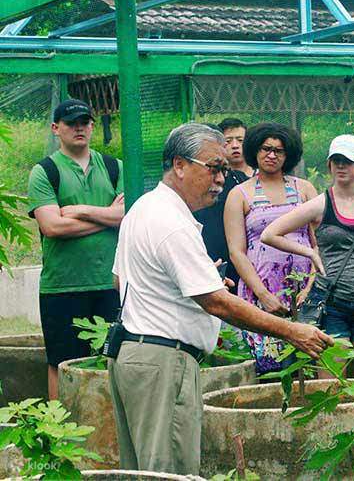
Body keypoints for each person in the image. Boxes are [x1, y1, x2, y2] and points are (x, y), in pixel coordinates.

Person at [109, 123, 332, 475]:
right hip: (163, 362)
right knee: (170, 472)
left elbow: (120, 279)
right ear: (180, 165)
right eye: (213, 168)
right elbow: (217, 302)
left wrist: (192, 281)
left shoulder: (144, 208)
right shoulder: (171, 223)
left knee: (143, 471)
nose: (220, 179)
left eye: (224, 170)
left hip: (137, 354)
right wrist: (292, 331)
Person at [261, 134, 354, 378]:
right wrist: (311, 252)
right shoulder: (320, 204)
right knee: (331, 387)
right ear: (329, 163)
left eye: (347, 161)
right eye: (336, 160)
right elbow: (270, 234)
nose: (341, 166)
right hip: (332, 306)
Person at [27, 98, 124, 399]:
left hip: (110, 282)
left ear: (93, 126)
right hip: (62, 286)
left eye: (84, 122)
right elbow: (52, 227)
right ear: (56, 128)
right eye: (71, 123)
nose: (79, 128)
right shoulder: (44, 171)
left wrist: (80, 210)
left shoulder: (114, 167)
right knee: (60, 362)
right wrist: (106, 218)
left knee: (112, 360)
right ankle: (59, 424)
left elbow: (127, 216)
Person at [224, 122, 318, 374]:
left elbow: (317, 243)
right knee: (271, 369)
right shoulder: (239, 194)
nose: (272, 155)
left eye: (279, 150)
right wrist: (263, 295)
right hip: (261, 293)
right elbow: (236, 251)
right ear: (255, 150)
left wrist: (310, 287)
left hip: (305, 292)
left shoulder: (304, 189)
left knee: (310, 365)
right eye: (266, 148)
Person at [194, 118, 253, 290]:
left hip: (235, 261)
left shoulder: (240, 180)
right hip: (202, 258)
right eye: (229, 141)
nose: (234, 146)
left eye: (240, 140)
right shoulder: (183, 190)